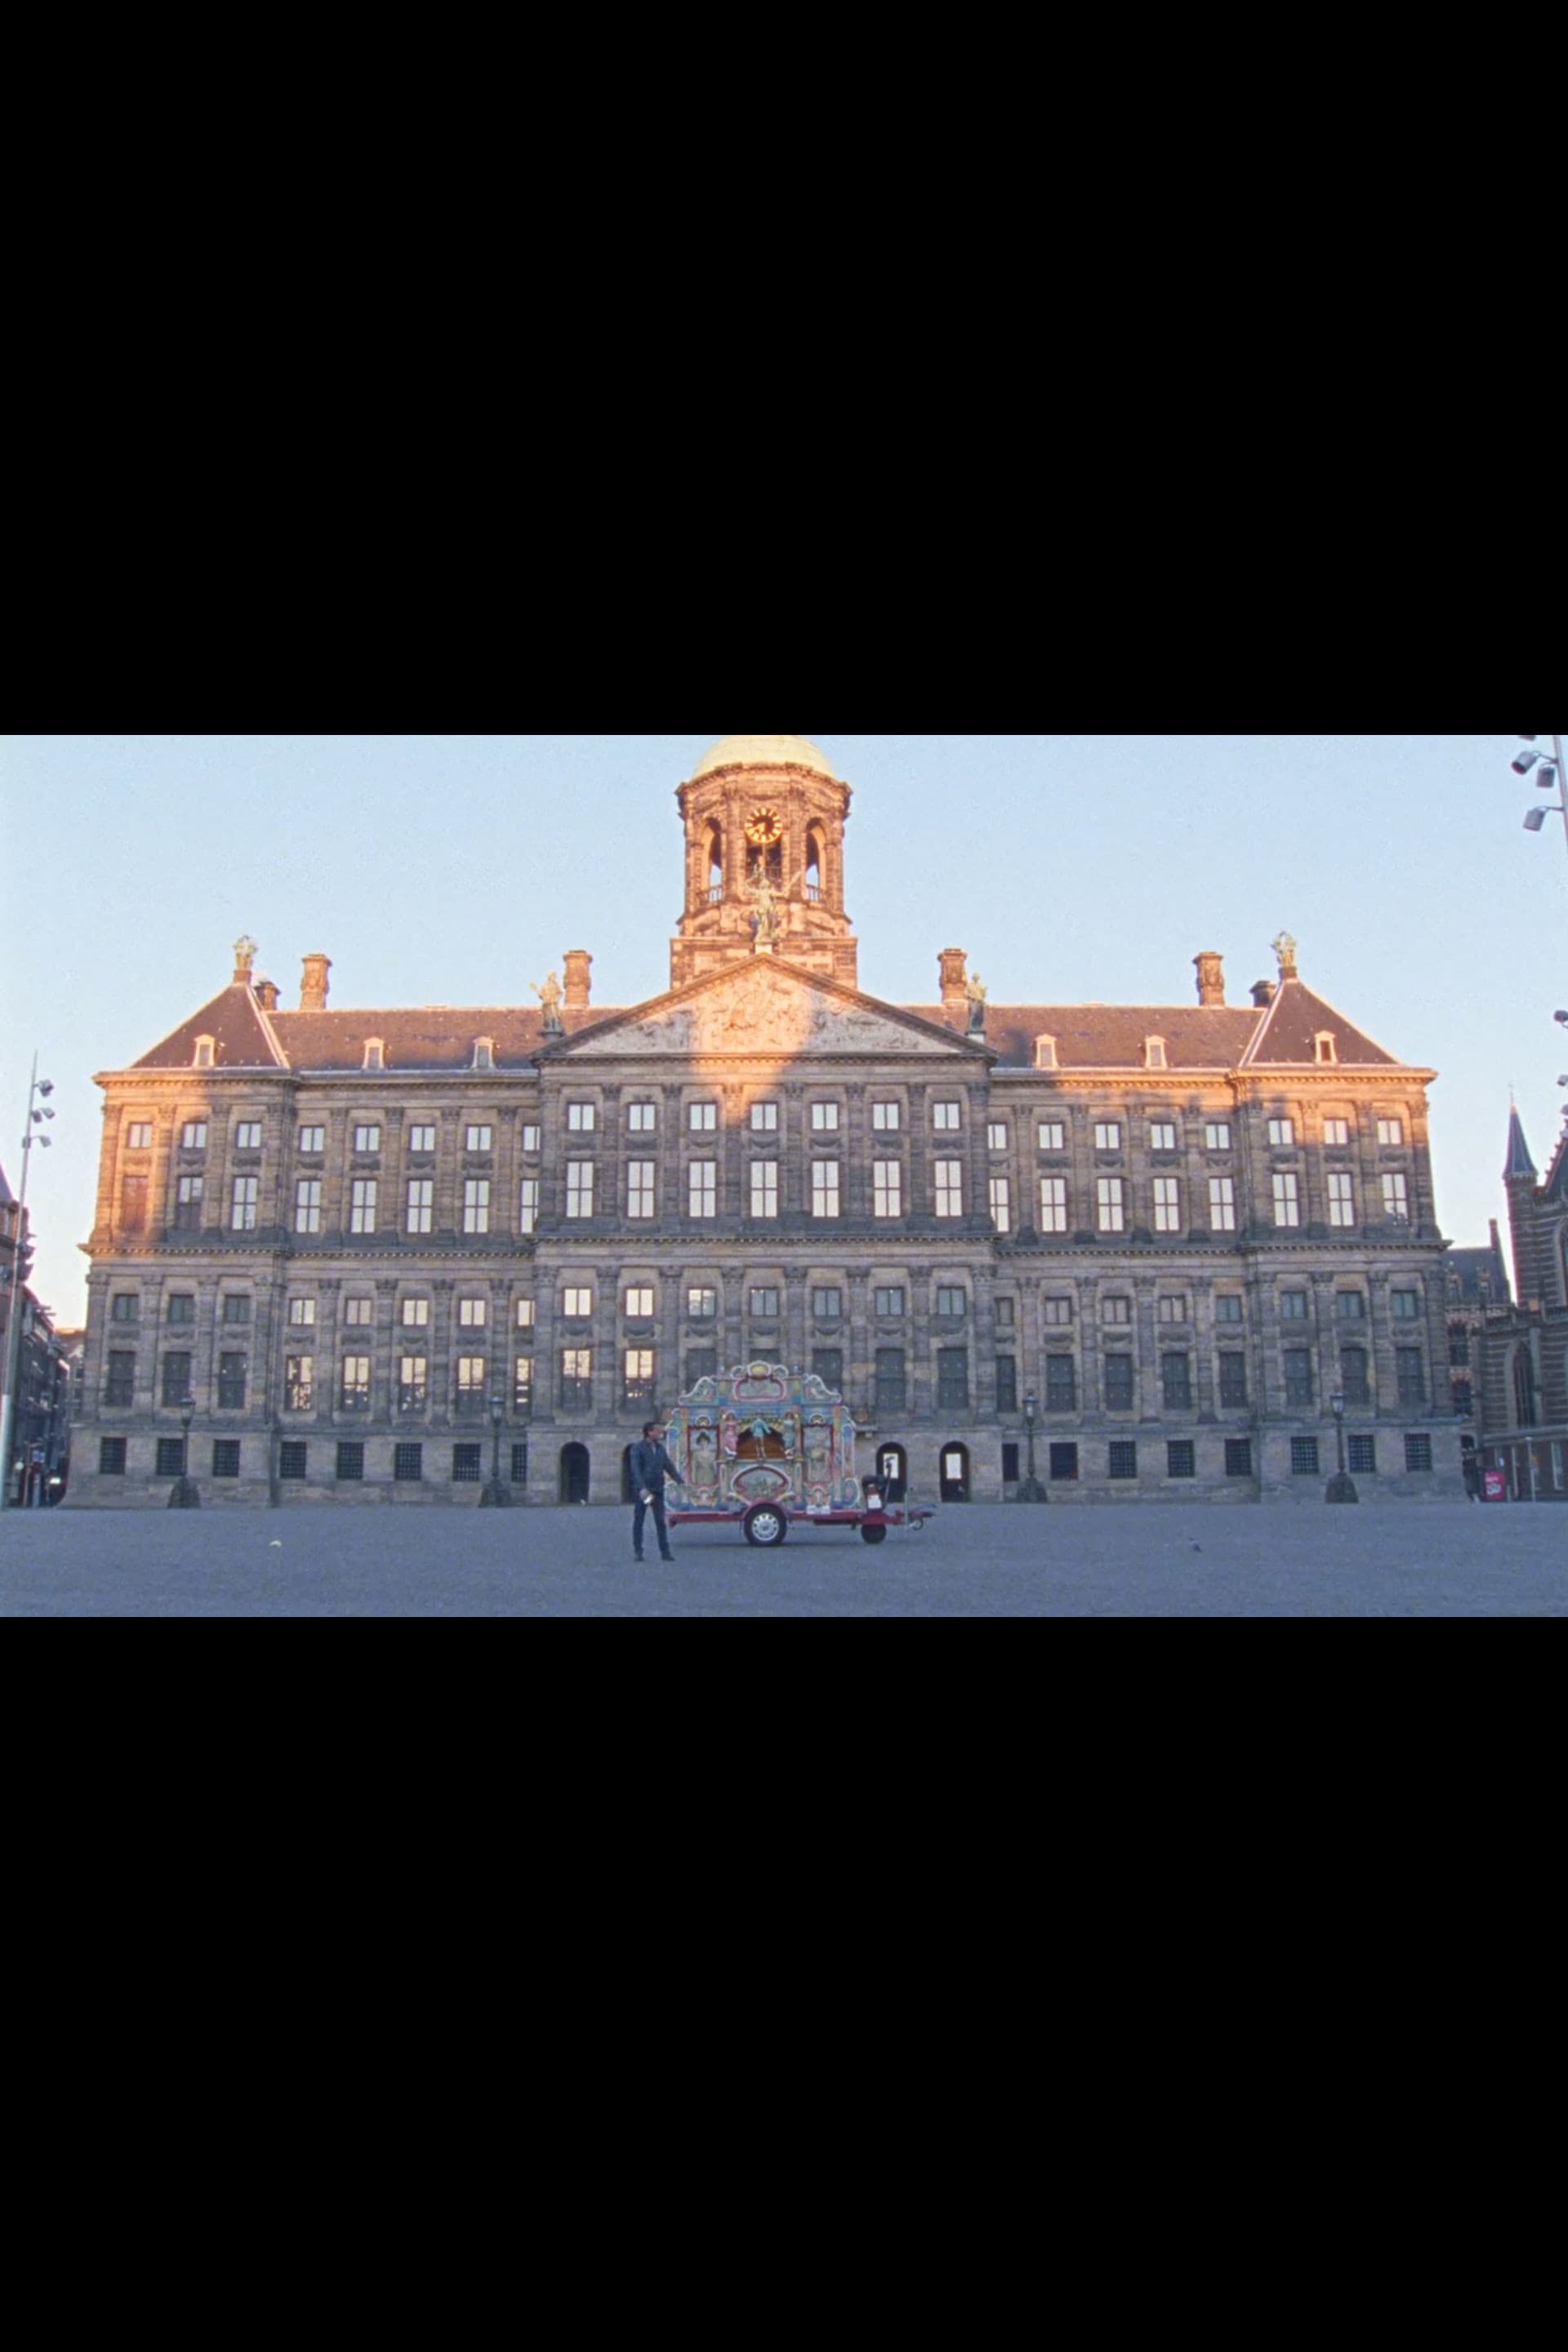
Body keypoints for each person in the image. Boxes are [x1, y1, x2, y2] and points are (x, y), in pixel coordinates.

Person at [630, 1422, 685, 1564]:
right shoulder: (638, 1448)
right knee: (639, 1521)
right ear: (649, 1432)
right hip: (645, 1491)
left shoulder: (660, 1449)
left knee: (660, 1521)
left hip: (657, 1490)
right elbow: (636, 1469)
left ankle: (665, 1552)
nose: (661, 1433)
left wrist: (680, 1481)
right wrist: (642, 1488)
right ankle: (638, 1551)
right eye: (658, 1430)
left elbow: (668, 1466)